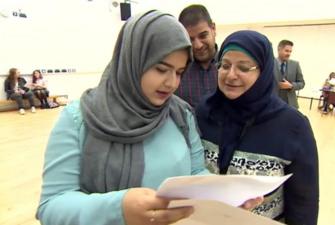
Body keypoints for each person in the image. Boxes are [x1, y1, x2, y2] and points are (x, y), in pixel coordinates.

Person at [36, 10, 260, 225]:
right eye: (161, 69)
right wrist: (119, 209)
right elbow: (51, 206)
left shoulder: (180, 114)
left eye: (179, 72)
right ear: (132, 59)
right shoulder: (79, 119)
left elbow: (196, 174)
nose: (172, 83)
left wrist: (224, 197)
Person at [196, 30, 319, 225]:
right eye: (225, 65)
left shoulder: (292, 125)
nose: (231, 75)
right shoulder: (205, 112)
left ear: (263, 72)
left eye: (243, 68)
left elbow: (304, 202)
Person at [175, 4, 218, 107]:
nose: (198, 45)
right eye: (190, 39)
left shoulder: (231, 69)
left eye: (203, 36)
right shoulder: (176, 73)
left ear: (213, 29)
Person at [273, 39, 305, 109]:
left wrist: (291, 86)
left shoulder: (295, 64)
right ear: (279, 49)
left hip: (290, 105)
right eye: (286, 51)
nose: (289, 54)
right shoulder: (269, 63)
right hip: (272, 103)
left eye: (290, 51)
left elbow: (302, 83)